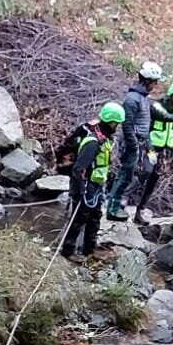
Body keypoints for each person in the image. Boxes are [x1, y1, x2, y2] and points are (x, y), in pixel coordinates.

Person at [60, 101, 125, 260]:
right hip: (87, 185)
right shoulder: (93, 142)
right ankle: (68, 250)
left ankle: (89, 248)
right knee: (79, 218)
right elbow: (79, 168)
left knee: (95, 217)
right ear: (111, 122)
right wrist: (80, 190)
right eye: (117, 123)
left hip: (96, 185)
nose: (118, 127)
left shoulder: (105, 138)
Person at [106, 60, 163, 221]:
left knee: (145, 171)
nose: (156, 85)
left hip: (142, 142)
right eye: (155, 82)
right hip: (133, 143)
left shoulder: (143, 98)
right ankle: (113, 208)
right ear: (148, 81)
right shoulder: (132, 99)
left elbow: (144, 126)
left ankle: (117, 205)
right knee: (124, 175)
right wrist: (133, 145)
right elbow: (127, 125)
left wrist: (149, 147)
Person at [133, 79, 173, 222]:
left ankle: (140, 210)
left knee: (154, 180)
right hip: (151, 145)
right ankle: (124, 198)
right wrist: (150, 149)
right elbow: (153, 124)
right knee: (146, 171)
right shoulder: (156, 107)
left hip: (166, 150)